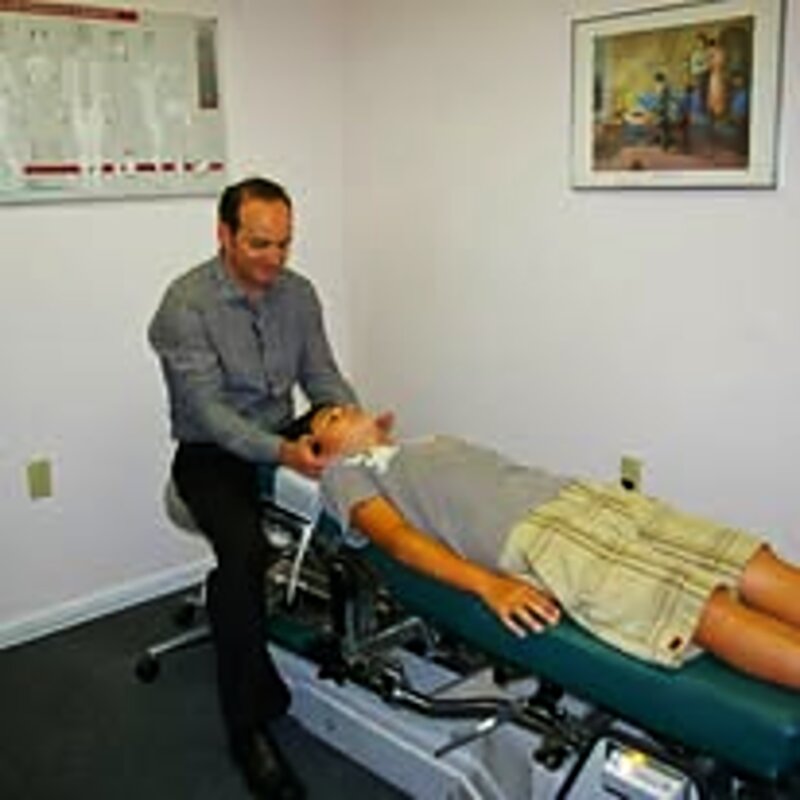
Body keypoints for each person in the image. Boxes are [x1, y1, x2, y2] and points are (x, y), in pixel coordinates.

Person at [312, 405, 800, 691]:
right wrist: (491, 587)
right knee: (700, 607)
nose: (343, 408)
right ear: (324, 452)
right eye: (329, 419)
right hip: (545, 542)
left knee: (744, 560)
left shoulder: (423, 444)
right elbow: (400, 542)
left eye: (343, 405)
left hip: (582, 498)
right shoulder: (345, 475)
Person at [149, 176, 358, 799]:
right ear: (224, 235)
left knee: (368, 489)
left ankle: (360, 637)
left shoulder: (299, 295)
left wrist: (352, 425)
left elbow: (322, 376)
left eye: (284, 245)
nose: (274, 260)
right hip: (212, 455)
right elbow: (211, 415)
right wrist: (286, 453)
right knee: (243, 555)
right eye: (260, 245)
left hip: (282, 432)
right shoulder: (183, 307)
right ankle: (248, 728)